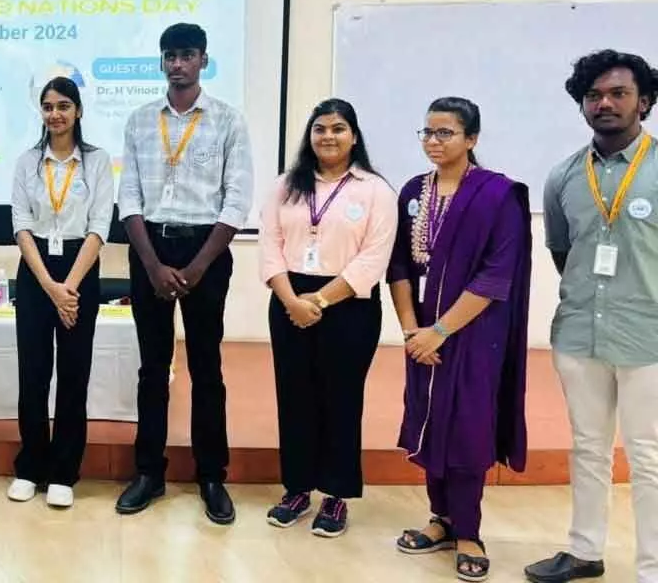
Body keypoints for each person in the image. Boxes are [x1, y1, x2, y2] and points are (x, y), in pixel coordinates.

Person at [385, 97, 531, 582]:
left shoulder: (498, 195)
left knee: (467, 426)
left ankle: (468, 529)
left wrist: (441, 330)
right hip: (421, 331)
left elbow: (496, 275)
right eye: (426, 132)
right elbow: (400, 267)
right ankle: (441, 519)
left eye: (445, 133)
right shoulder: (412, 191)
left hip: (473, 333)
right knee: (428, 418)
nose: (433, 141)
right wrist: (411, 330)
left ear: (472, 139)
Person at [526, 50, 658, 583]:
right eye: (593, 95)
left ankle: (652, 566)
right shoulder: (563, 176)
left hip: (650, 337)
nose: (604, 103)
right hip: (580, 333)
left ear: (644, 103)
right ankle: (584, 551)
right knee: (587, 448)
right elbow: (563, 252)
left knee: (648, 457)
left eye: (618, 93)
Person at [115, 22, 253, 524]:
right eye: (170, 55)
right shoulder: (138, 121)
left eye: (187, 55)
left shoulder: (227, 122)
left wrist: (197, 266)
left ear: (203, 60)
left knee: (206, 367)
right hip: (149, 245)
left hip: (206, 250)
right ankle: (148, 472)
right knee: (152, 368)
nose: (178, 63)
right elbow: (128, 195)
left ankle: (211, 475)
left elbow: (236, 201)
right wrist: (152, 264)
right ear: (161, 62)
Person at [258, 98, 397, 537]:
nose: (328, 137)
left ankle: (335, 495)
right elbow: (269, 247)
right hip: (288, 301)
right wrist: (292, 300)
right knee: (294, 395)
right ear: (309, 136)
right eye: (320, 129)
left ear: (354, 135)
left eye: (338, 128)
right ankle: (297, 488)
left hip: (348, 305)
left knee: (341, 400)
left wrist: (316, 301)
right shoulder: (286, 186)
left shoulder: (375, 190)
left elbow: (373, 260)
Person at [7, 76, 114, 509]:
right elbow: (20, 225)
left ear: (79, 111)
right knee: (33, 375)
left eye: (64, 106)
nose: (55, 114)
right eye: (48, 106)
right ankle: (31, 466)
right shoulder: (26, 162)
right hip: (36, 272)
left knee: (73, 374)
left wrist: (68, 286)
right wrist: (50, 287)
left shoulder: (98, 162)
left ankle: (65, 471)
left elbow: (100, 226)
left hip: (80, 269)